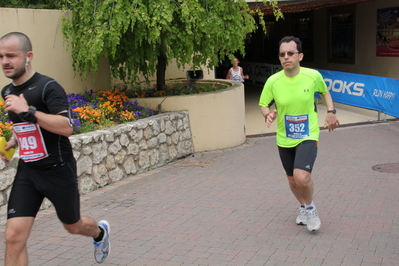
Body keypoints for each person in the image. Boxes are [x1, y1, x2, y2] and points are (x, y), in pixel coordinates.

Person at [0, 32, 110, 264]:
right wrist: (12, 142)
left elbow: (66, 127)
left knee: (73, 225)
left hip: (57, 170)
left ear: (28, 56)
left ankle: (99, 233)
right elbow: (22, 126)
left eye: (11, 55)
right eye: (1, 57)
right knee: (13, 237)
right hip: (28, 171)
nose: (5, 62)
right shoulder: (7, 91)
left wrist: (27, 111)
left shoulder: (48, 86)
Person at [259, 36, 339, 232]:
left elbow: (325, 92)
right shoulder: (273, 81)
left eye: (290, 53)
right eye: (282, 54)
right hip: (284, 137)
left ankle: (310, 208)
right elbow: (263, 104)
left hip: (308, 134)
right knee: (292, 180)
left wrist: (331, 112)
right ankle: (303, 206)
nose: (286, 57)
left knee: (301, 176)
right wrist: (268, 115)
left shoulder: (313, 76)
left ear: (300, 56)